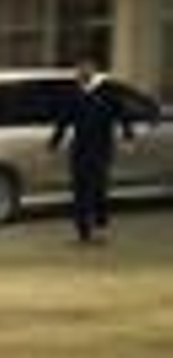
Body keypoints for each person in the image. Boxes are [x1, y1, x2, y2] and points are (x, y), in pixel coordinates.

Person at [50, 65, 135, 243]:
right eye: (80, 73)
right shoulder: (76, 95)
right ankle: (83, 230)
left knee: (97, 189)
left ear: (91, 74)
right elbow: (63, 120)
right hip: (80, 149)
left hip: (100, 149)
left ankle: (99, 224)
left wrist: (128, 137)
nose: (80, 76)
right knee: (80, 190)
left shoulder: (107, 94)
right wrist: (54, 142)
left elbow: (123, 115)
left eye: (84, 72)